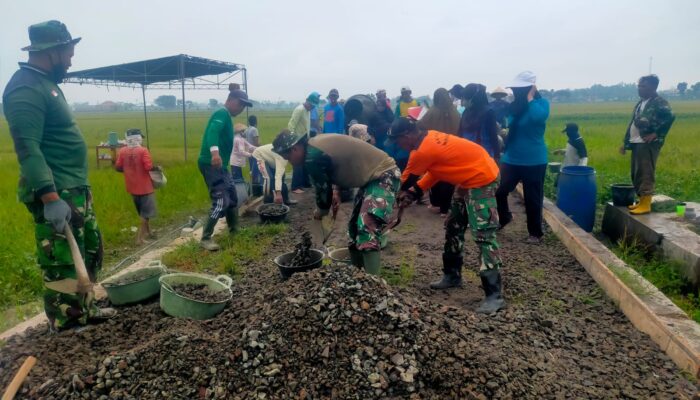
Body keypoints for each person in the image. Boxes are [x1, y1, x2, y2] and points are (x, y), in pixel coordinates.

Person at [2, 20, 115, 330]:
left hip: (74, 189)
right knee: (63, 261)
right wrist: (50, 197)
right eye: (68, 52)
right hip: (56, 191)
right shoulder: (25, 87)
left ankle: (86, 310)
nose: (70, 60)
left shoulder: (46, 84)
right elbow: (28, 148)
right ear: (52, 52)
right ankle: (67, 326)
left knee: (88, 251)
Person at [389, 117, 505, 314]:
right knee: (453, 226)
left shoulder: (422, 150)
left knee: (484, 235)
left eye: (397, 140)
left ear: (407, 136)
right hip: (467, 178)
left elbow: (403, 180)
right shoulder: (428, 139)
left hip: (482, 178)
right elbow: (436, 171)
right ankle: (452, 275)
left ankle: (494, 295)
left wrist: (392, 194)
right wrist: (415, 192)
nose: (397, 145)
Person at [272, 131, 400, 275]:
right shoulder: (314, 146)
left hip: (384, 175)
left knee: (367, 226)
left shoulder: (311, 157)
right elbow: (341, 161)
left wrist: (320, 211)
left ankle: (374, 285)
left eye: (288, 157)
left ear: (295, 148)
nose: (290, 162)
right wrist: (336, 191)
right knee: (353, 229)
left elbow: (322, 192)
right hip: (370, 180)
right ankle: (359, 276)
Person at [495, 71, 550, 244]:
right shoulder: (515, 107)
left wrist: (530, 97)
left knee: (533, 198)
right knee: (501, 191)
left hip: (534, 160)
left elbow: (537, 118)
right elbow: (510, 125)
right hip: (512, 159)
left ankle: (535, 233)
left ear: (529, 89)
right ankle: (504, 218)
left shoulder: (541, 104)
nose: (515, 92)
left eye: (520, 89)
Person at [197, 83, 252, 251]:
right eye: (240, 104)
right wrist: (215, 153)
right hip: (211, 163)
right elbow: (212, 132)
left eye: (244, 106)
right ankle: (206, 238)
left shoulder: (227, 116)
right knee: (220, 201)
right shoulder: (221, 113)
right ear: (231, 100)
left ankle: (234, 230)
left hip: (220, 165)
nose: (242, 108)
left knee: (232, 196)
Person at [620, 75, 675, 215]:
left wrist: (657, 134)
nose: (639, 88)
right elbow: (633, 123)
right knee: (636, 172)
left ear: (652, 87)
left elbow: (670, 116)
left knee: (645, 172)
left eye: (643, 86)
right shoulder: (641, 103)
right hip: (636, 142)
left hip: (647, 143)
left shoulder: (659, 102)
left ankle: (646, 204)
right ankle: (641, 201)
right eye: (639, 85)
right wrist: (625, 143)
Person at [418, 88, 461, 216]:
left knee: (434, 176)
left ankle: (436, 204)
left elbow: (420, 125)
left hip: (435, 148)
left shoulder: (433, 111)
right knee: (448, 178)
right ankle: (445, 209)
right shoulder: (455, 111)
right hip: (453, 148)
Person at [115, 129, 157, 245]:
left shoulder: (123, 151)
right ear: (138, 138)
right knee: (146, 214)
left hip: (132, 187)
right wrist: (158, 169)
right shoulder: (143, 151)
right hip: (145, 187)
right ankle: (140, 239)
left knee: (142, 212)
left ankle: (149, 232)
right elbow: (149, 167)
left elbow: (118, 167)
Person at [459, 83, 501, 160]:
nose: (463, 102)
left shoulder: (488, 112)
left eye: (465, 98)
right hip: (467, 155)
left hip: (484, 156)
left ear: (473, 98)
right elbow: (460, 133)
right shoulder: (466, 111)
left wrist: (497, 156)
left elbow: (493, 136)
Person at [288, 92, 320, 193]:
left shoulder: (308, 111)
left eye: (313, 106)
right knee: (297, 162)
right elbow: (291, 125)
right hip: (296, 139)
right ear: (307, 101)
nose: (312, 107)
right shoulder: (299, 110)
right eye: (311, 105)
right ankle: (295, 187)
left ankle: (306, 183)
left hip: (304, 138)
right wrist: (293, 141)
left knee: (305, 161)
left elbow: (307, 125)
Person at [252, 142, 296, 206]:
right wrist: (278, 193)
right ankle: (268, 203)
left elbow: (280, 176)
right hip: (259, 155)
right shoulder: (283, 158)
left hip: (271, 158)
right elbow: (278, 176)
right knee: (268, 179)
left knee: (282, 177)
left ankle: (285, 199)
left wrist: (279, 192)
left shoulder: (287, 153)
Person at [244, 115, 262, 185]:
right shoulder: (254, 129)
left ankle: (253, 185)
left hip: (249, 152)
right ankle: (256, 185)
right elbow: (256, 143)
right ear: (256, 121)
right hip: (255, 152)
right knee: (256, 170)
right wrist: (263, 147)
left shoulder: (247, 130)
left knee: (252, 169)